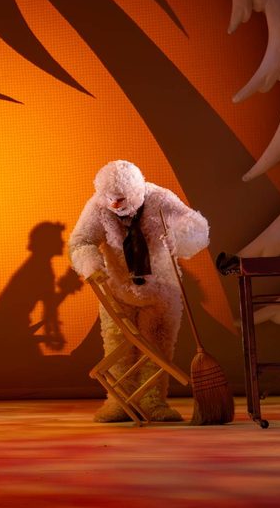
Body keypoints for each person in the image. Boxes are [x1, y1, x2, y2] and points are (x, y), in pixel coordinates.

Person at [68, 160, 209, 422]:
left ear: (136, 191)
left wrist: (179, 236)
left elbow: (196, 225)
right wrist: (92, 266)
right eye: (109, 197)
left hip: (161, 290)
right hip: (117, 290)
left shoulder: (160, 198)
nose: (114, 204)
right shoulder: (98, 206)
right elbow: (80, 242)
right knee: (117, 346)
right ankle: (119, 402)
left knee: (158, 347)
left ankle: (153, 401)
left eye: (120, 198)